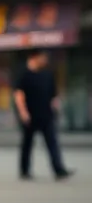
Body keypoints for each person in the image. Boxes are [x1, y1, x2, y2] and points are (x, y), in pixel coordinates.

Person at [14, 49, 75, 181]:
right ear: (34, 57)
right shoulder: (24, 74)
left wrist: (56, 107)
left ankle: (59, 169)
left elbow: (53, 96)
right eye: (42, 57)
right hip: (30, 115)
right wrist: (23, 112)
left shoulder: (47, 75)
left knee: (52, 142)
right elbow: (19, 95)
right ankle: (24, 170)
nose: (45, 60)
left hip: (46, 115)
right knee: (27, 144)